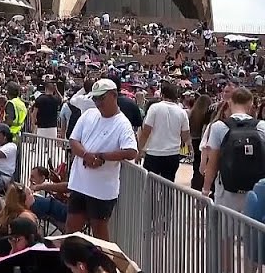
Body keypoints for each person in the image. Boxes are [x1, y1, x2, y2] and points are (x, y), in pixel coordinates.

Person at [66, 79, 138, 241]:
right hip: (80, 184)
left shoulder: (122, 123)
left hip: (101, 190)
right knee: (71, 228)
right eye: (95, 99)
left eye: (101, 98)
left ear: (114, 95)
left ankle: (105, 265)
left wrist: (103, 157)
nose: (97, 103)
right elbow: (74, 140)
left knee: (99, 233)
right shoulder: (90, 114)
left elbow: (131, 151)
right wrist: (86, 155)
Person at [203, 87, 265, 212]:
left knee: (225, 228)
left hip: (226, 190)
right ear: (251, 104)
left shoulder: (219, 127)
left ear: (230, 102)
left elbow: (212, 163)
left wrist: (205, 190)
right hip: (255, 189)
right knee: (251, 228)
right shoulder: (262, 126)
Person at [137, 81, 192, 183]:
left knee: (150, 186)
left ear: (162, 95)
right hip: (173, 154)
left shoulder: (154, 108)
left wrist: (140, 150)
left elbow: (146, 132)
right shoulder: (182, 112)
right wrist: (189, 148)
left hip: (154, 153)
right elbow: (186, 136)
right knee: (169, 186)